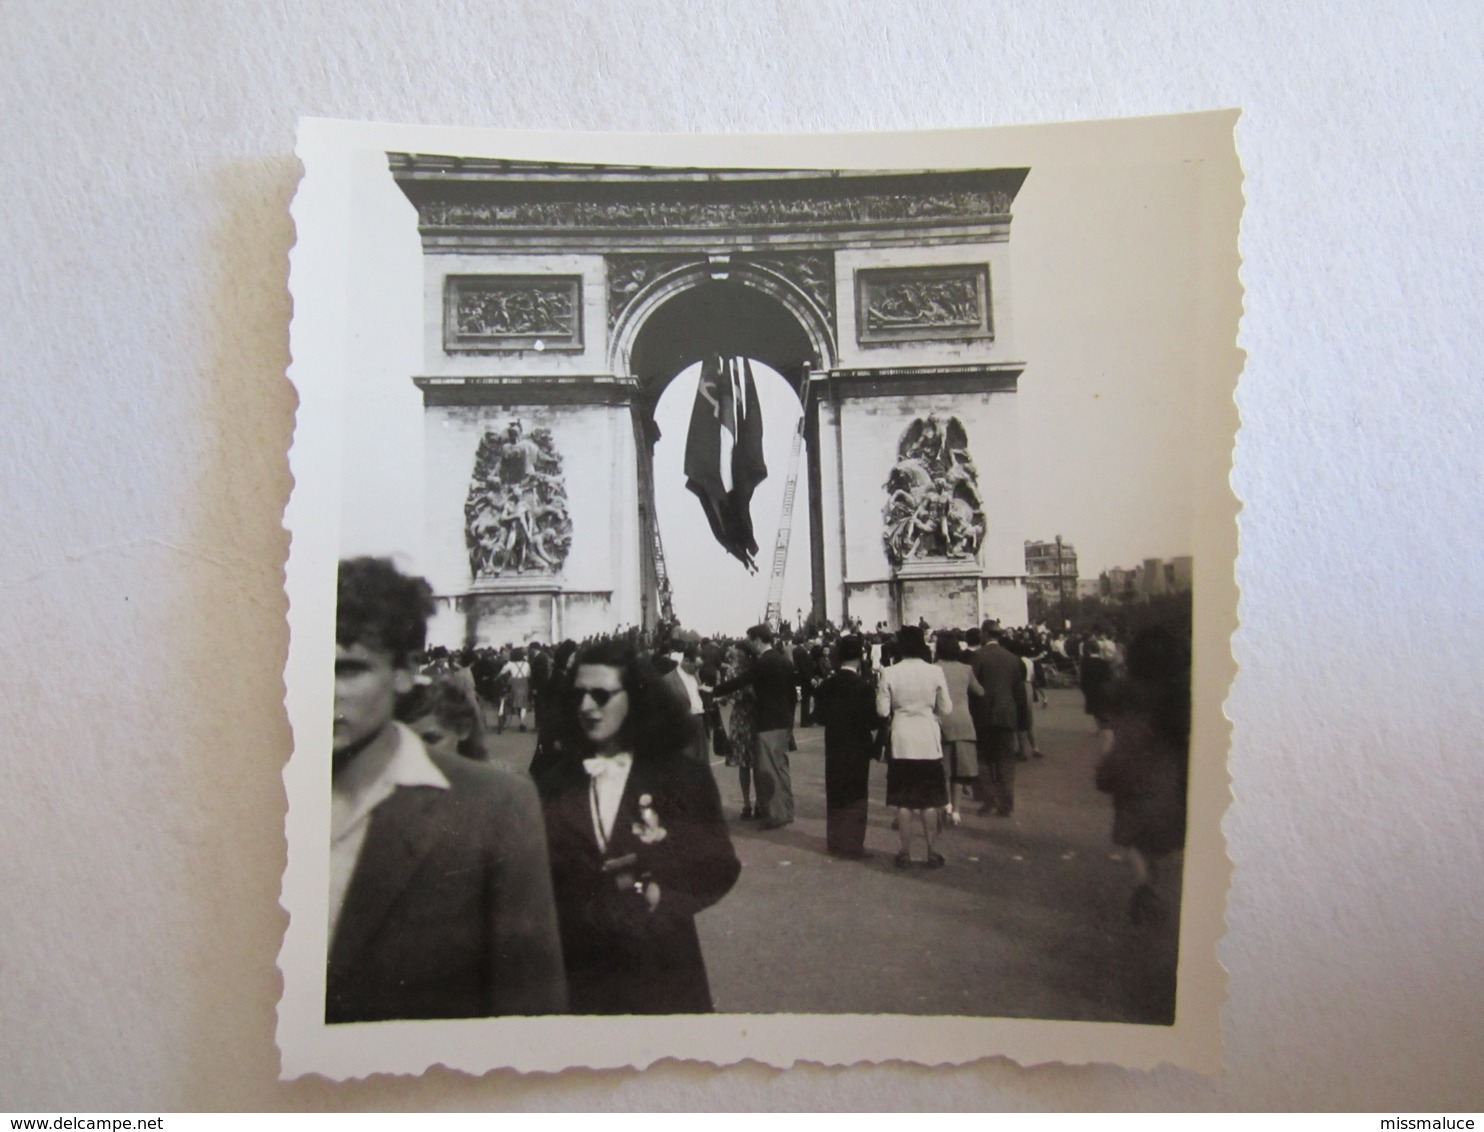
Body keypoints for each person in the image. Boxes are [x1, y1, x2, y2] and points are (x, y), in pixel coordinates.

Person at [327, 557, 566, 1022]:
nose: (321, 690)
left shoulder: (497, 807)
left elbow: (530, 1018)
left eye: (349, 670)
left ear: (405, 671)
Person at [536, 639, 741, 1014]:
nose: (586, 707)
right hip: (581, 977)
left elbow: (719, 864)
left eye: (601, 695)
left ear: (634, 698)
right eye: (579, 695)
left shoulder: (682, 778)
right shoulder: (551, 784)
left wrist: (663, 895)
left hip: (662, 971)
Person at [1095, 626, 1190, 925]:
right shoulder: (1181, 690)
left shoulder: (1119, 690)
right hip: (1172, 768)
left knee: (1133, 834)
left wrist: (1107, 763)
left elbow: (1109, 735)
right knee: (1170, 829)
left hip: (1131, 767)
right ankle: (1161, 884)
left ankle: (1145, 883)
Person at [876, 624, 952, 868]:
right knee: (929, 801)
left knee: (904, 801)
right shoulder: (935, 671)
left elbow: (882, 710)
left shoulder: (889, 672)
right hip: (928, 739)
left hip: (902, 740)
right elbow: (946, 708)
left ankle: (905, 852)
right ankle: (932, 851)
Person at [713, 624, 797, 829]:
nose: (749, 644)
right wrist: (790, 719)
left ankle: (775, 815)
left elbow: (740, 682)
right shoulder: (784, 660)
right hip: (784, 721)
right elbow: (792, 695)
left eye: (750, 640)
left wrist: (714, 690)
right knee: (782, 768)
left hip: (767, 722)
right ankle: (787, 810)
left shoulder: (762, 663)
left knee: (767, 771)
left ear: (758, 640)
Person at [813, 635, 881, 859]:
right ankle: (853, 844)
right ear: (860, 658)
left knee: (835, 792)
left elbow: (820, 716)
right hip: (857, 745)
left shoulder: (827, 684)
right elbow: (872, 721)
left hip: (834, 743)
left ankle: (835, 840)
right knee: (857, 794)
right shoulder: (864, 687)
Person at [969, 619, 1025, 817]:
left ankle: (989, 798)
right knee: (1005, 760)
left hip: (983, 715)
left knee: (983, 758)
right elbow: (1019, 692)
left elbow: (972, 687)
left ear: (984, 634)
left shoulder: (978, 657)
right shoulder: (1012, 658)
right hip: (1007, 715)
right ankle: (1006, 802)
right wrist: (1023, 721)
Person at [933, 632, 983, 824]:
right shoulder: (966, 669)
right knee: (960, 770)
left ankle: (945, 804)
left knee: (943, 769)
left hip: (941, 722)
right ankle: (956, 811)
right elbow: (979, 691)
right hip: (963, 722)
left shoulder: (933, 668)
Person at [396, 676, 487, 762]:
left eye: (431, 740)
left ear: (462, 730)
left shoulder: (482, 777)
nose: (415, 751)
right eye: (406, 741)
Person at [717, 641, 759, 819]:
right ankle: (754, 803)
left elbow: (730, 695)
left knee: (745, 764)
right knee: (755, 762)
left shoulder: (734, 672)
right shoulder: (754, 669)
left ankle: (747, 803)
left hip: (742, 717)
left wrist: (725, 697)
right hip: (753, 716)